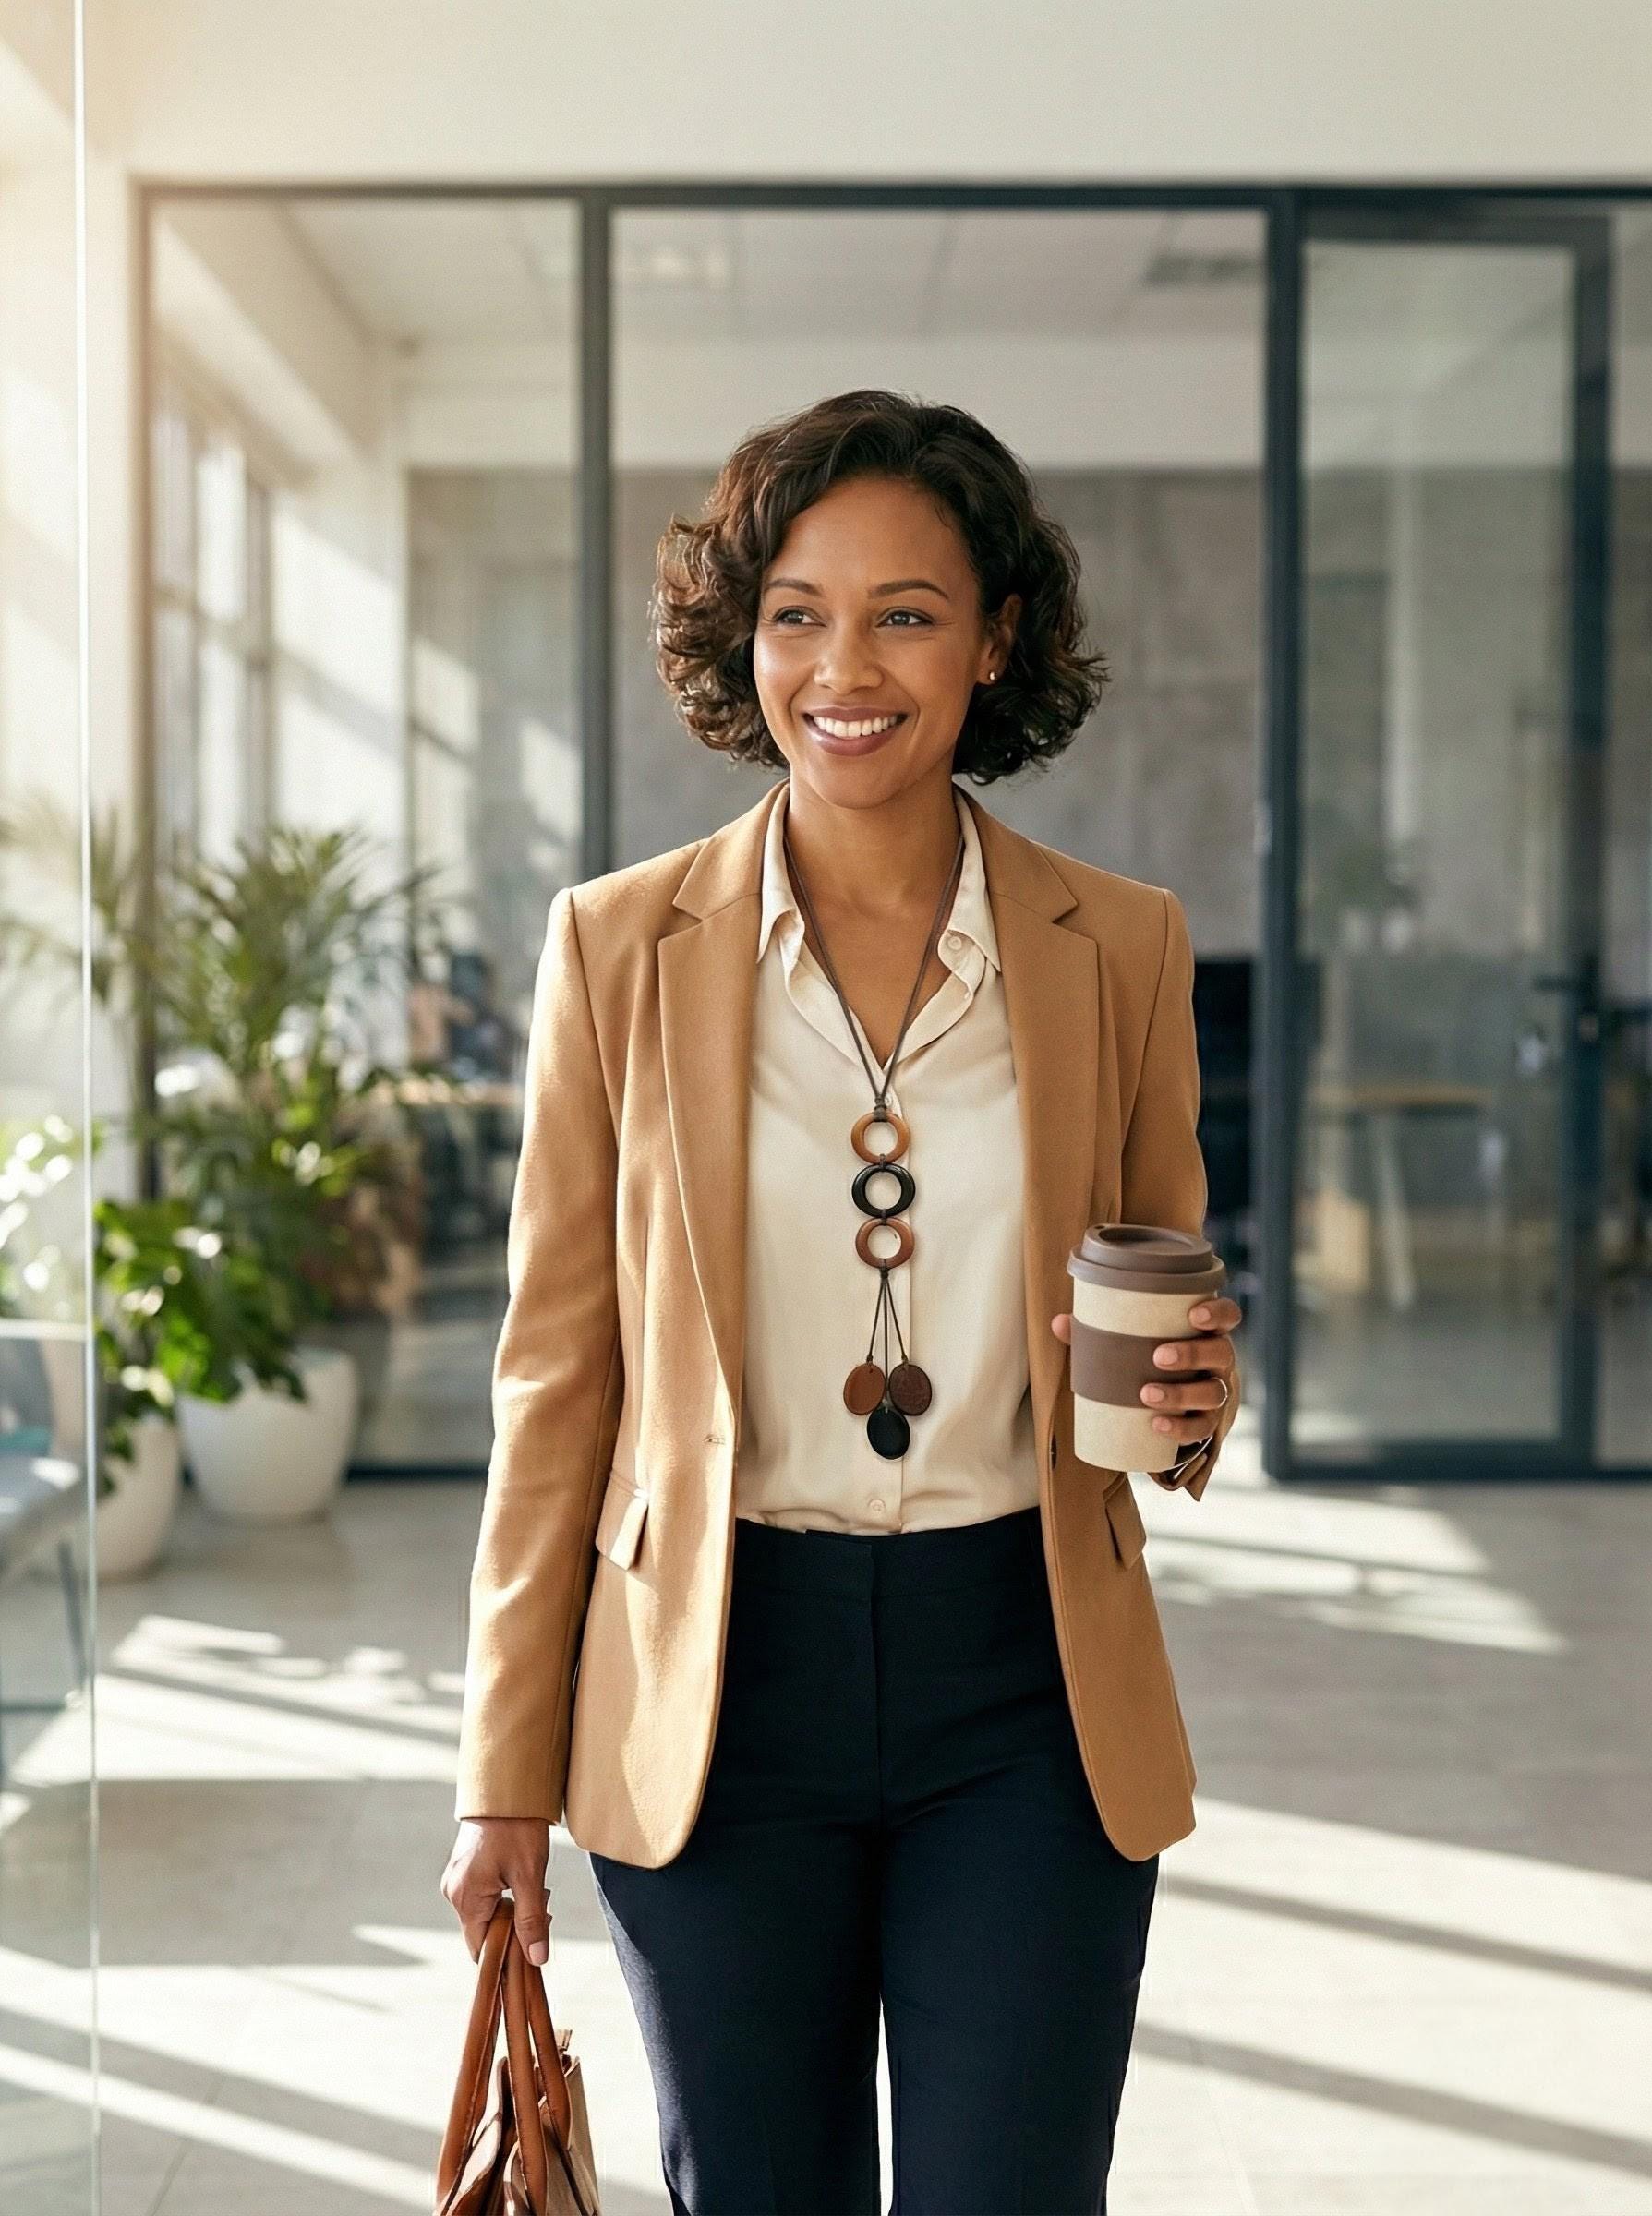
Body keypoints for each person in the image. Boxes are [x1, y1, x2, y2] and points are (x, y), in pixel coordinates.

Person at [441, 389, 1243, 2212]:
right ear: (744, 636)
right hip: (716, 1690)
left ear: (993, 641)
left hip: (1023, 1685)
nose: (842, 666)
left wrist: (1187, 1407)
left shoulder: (1114, 947)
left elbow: (1168, 1316)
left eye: (904, 611)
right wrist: (499, 1772)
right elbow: (554, 1376)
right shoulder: (615, 947)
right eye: (797, 610)